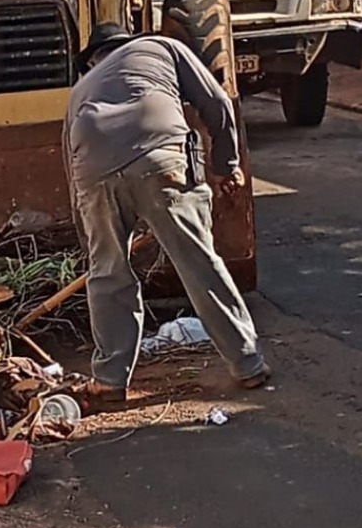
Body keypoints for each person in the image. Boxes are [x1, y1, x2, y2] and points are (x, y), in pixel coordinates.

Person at [64, 22, 270, 404]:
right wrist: (226, 164)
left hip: (93, 169)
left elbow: (71, 167)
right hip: (160, 155)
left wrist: (92, 239)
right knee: (197, 261)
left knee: (108, 274)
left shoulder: (80, 90)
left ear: (92, 61)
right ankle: (247, 363)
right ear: (131, 43)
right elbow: (217, 102)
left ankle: (110, 381)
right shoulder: (162, 48)